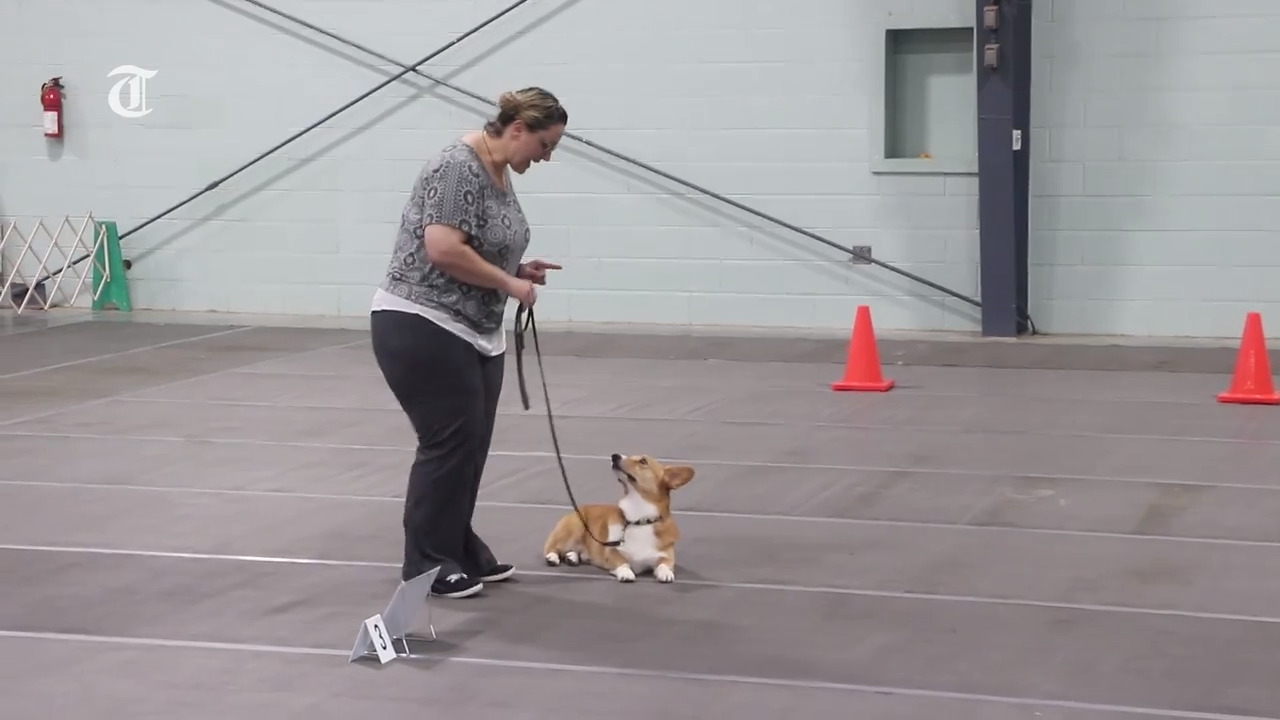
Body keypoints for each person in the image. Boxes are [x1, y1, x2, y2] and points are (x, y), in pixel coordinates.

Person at [368, 87, 568, 599]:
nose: (546, 158)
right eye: (545, 146)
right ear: (518, 128)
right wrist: (508, 283)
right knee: (447, 444)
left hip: (473, 328)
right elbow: (442, 249)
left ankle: (455, 542)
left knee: (471, 446)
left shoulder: (498, 169)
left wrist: (517, 269)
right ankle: (427, 563)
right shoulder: (457, 166)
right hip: (422, 322)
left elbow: (479, 244)